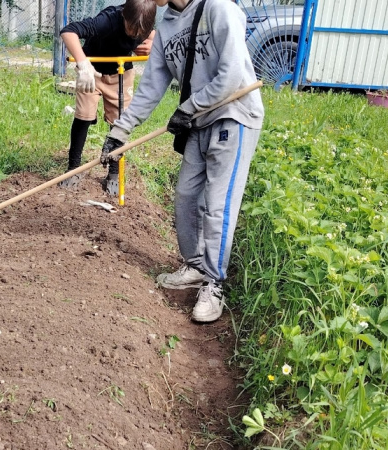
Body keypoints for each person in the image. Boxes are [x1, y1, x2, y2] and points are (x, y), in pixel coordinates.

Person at [99, 0, 264, 322]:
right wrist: (120, 132)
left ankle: (214, 283)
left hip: (234, 115)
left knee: (217, 204)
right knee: (187, 197)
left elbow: (231, 74)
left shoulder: (219, 8)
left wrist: (190, 107)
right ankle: (195, 266)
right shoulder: (169, 24)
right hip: (198, 122)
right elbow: (150, 87)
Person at [57, 0, 157, 195]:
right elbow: (69, 31)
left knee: (120, 123)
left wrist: (151, 44)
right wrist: (83, 64)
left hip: (121, 73)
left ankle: (113, 172)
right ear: (123, 16)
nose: (135, 35)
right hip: (92, 72)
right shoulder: (108, 19)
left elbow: (155, 38)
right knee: (83, 116)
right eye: (131, 29)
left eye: (141, 32)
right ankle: (73, 168)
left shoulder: (145, 25)